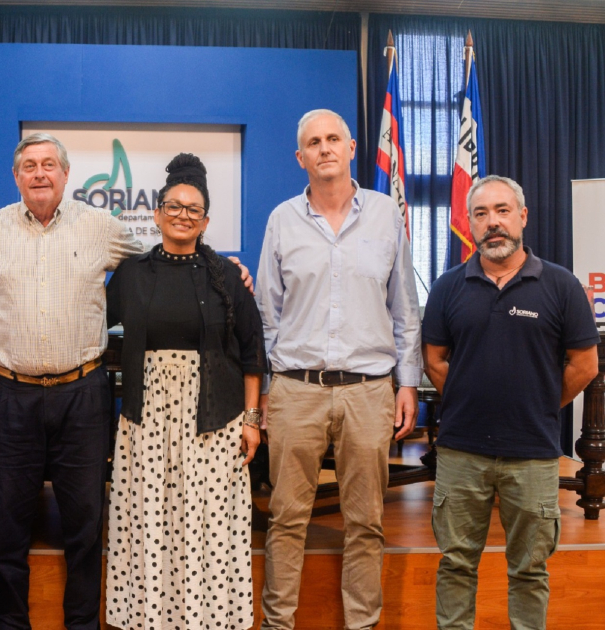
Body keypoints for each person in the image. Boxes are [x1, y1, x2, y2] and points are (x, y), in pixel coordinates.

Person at [0, 133, 143, 630]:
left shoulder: (101, 227)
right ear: (16, 176)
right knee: (7, 527)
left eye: (48, 165)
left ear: (65, 174)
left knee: (84, 526)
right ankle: (13, 623)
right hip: (12, 397)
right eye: (29, 166)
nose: (39, 174)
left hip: (83, 396)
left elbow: (157, 267)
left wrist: (224, 270)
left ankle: (82, 625)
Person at [255, 109, 423, 630]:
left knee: (366, 522)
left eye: (333, 139)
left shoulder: (385, 216)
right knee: (286, 520)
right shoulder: (282, 220)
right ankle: (279, 623)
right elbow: (267, 313)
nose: (324, 148)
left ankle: (362, 624)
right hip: (295, 391)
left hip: (369, 392)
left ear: (352, 148)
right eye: (313, 141)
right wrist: (264, 391)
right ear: (299, 157)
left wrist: (409, 383)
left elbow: (405, 310)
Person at [422, 175, 599, 630]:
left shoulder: (561, 286)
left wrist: (540, 404)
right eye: (480, 214)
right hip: (462, 452)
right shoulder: (447, 287)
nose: (492, 222)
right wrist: (468, 397)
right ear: (470, 223)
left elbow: (585, 365)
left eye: (502, 211)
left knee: (529, 570)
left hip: (534, 453)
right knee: (456, 565)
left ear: (522, 217)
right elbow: (435, 361)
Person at [104, 153, 266, 630]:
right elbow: (91, 320)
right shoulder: (131, 274)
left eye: (193, 209)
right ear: (155, 214)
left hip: (215, 418)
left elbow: (252, 354)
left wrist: (253, 422)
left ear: (206, 220)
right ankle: (151, 619)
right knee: (152, 523)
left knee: (207, 527)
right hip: (147, 418)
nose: (182, 215)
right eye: (173, 206)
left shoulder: (229, 278)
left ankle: (207, 620)